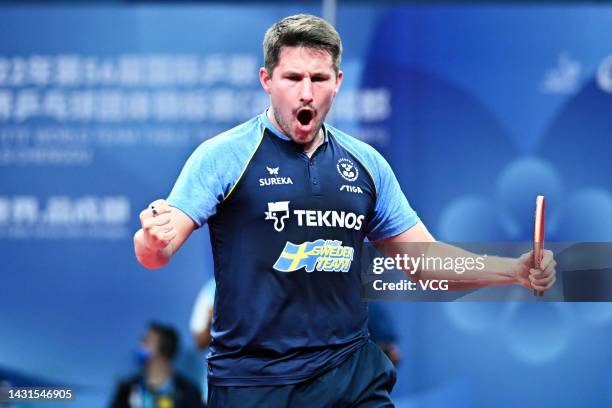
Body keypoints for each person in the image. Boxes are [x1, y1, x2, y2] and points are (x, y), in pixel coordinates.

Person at [133, 14, 556, 407]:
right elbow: (155, 251)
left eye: (318, 78)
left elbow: (425, 261)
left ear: (337, 82)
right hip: (253, 382)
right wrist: (152, 240)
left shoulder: (366, 164)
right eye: (292, 77)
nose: (305, 92)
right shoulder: (224, 156)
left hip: (350, 375)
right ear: (266, 80)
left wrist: (513, 270)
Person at [110, 322, 204, 408]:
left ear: (164, 350)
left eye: (146, 342)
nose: (140, 345)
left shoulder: (189, 393)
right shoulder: (126, 390)